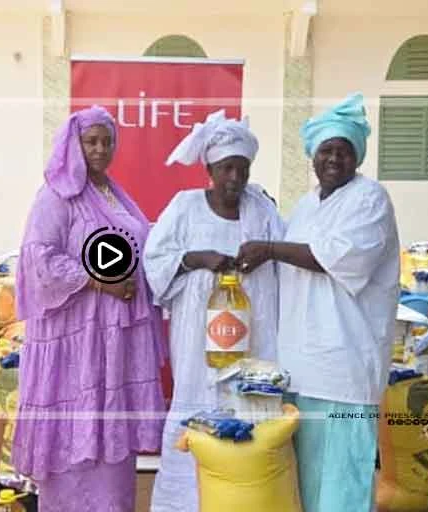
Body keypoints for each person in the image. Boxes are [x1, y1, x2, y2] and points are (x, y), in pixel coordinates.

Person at [234, 92, 400, 512]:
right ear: (312, 155)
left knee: (343, 484)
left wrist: (270, 247)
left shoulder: (369, 199)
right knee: (305, 485)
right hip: (301, 371)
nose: (333, 159)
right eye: (326, 150)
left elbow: (336, 259)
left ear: (357, 157)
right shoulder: (305, 207)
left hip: (345, 370)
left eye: (343, 151)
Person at [13, 105, 167, 512]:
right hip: (76, 346)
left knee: (111, 444)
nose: (100, 149)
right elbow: (39, 259)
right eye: (91, 140)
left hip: (114, 345)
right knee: (75, 432)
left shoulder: (114, 194)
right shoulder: (56, 195)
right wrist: (100, 281)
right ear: (73, 144)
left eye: (107, 141)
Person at [143, 109, 283, 512]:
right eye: (226, 169)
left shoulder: (262, 210)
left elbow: (284, 259)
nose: (235, 179)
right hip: (197, 346)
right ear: (210, 168)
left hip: (254, 340)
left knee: (251, 415)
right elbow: (156, 260)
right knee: (196, 413)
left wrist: (263, 254)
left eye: (242, 169)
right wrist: (195, 259)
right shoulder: (185, 207)